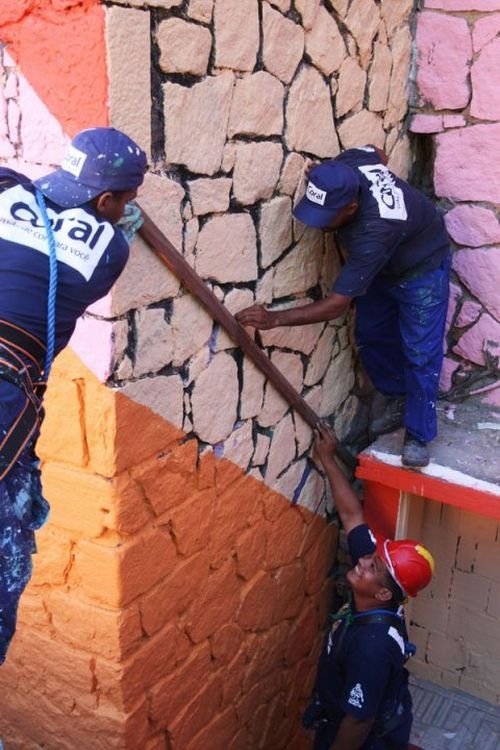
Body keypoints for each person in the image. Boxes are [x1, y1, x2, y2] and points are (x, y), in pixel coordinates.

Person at [0, 126, 147, 664]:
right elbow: (102, 238)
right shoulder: (108, 251)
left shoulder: (8, 194)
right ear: (107, 201)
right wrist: (121, 228)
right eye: (126, 200)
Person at [236, 145, 451, 468]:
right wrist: (325, 179)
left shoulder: (374, 230)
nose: (319, 225)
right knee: (371, 334)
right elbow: (377, 153)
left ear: (351, 207)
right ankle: (395, 397)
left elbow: (336, 304)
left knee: (420, 353)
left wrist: (274, 318)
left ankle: (419, 434)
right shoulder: (348, 168)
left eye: (326, 217)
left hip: (422, 269)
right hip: (383, 265)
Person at [306, 423, 433, 750]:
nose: (361, 561)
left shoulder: (372, 647)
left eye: (372, 565)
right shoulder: (380, 590)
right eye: (371, 559)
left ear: (382, 593)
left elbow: (358, 721)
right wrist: (328, 459)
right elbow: (352, 517)